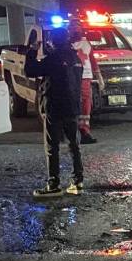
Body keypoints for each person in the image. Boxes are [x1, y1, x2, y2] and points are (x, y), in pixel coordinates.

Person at [25, 27, 84, 198]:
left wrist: (32, 50)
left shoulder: (54, 59)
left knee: (52, 147)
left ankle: (53, 184)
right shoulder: (76, 58)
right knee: (74, 144)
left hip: (55, 107)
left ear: (53, 42)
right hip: (72, 107)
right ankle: (78, 182)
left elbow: (30, 70)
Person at [72, 26, 105, 144]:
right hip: (73, 78)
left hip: (85, 78)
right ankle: (74, 132)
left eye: (77, 28)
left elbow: (93, 62)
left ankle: (84, 131)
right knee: (75, 105)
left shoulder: (86, 43)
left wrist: (99, 78)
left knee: (86, 106)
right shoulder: (66, 44)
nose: (76, 30)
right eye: (73, 27)